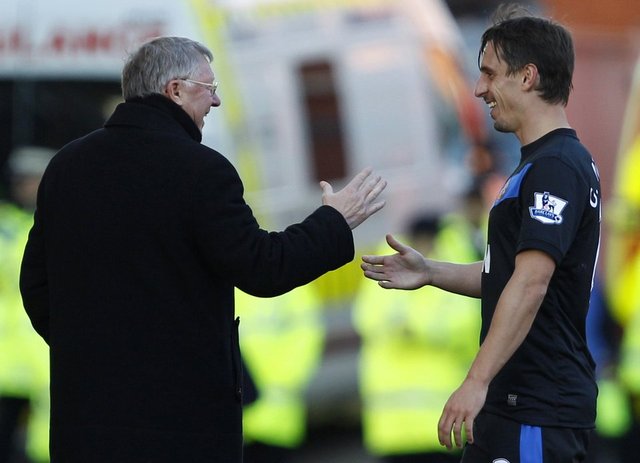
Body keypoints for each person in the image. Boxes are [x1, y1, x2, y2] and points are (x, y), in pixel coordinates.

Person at [19, 36, 386, 463]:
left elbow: (36, 286)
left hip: (85, 423)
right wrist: (335, 220)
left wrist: (90, 353)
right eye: (209, 88)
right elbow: (263, 267)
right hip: (181, 424)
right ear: (175, 90)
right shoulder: (200, 170)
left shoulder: (66, 166)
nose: (215, 102)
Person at [361, 5, 601, 462]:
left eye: (489, 73)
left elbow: (531, 283)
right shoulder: (541, 164)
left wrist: (475, 381)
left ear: (527, 76)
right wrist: (430, 271)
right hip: (515, 405)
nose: (478, 89)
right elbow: (509, 274)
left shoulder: (554, 167)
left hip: (536, 407)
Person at [353, 213, 480, 463]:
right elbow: (365, 318)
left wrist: (416, 329)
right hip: (391, 427)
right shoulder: (385, 268)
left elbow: (467, 323)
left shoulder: (454, 266)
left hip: (440, 421)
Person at [0, 146, 54, 463]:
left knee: (39, 446)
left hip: (41, 358)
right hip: (8, 362)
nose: (27, 186)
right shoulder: (5, 226)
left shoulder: (61, 227)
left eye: (34, 179)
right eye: (22, 180)